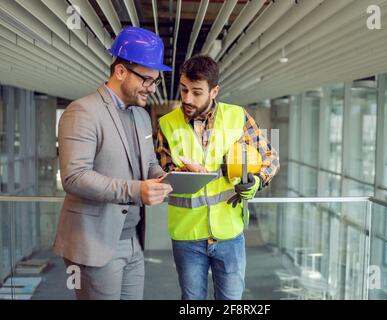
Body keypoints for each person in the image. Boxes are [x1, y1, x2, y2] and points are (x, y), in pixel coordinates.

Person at [53, 27, 173, 300]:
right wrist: (135, 190)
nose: (151, 89)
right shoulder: (82, 111)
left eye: (155, 81)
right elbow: (74, 177)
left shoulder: (141, 116)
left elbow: (150, 164)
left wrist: (172, 176)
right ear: (120, 71)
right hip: (94, 243)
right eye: (146, 79)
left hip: (133, 239)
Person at [156, 55, 280, 300]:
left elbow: (270, 157)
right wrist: (179, 172)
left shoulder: (237, 117)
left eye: (196, 92)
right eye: (183, 90)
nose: (187, 98)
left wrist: (255, 181)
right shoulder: (166, 124)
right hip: (187, 235)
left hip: (229, 234)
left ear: (214, 91)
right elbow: (161, 172)